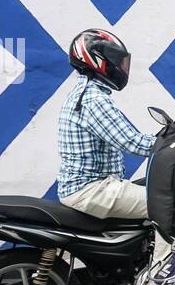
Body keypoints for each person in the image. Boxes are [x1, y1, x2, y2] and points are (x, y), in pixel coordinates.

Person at [57, 29, 154, 219]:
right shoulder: (94, 99)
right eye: (118, 62)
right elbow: (133, 143)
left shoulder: (84, 92)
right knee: (170, 205)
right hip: (92, 190)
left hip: (90, 186)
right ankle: (167, 251)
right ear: (98, 60)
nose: (122, 68)